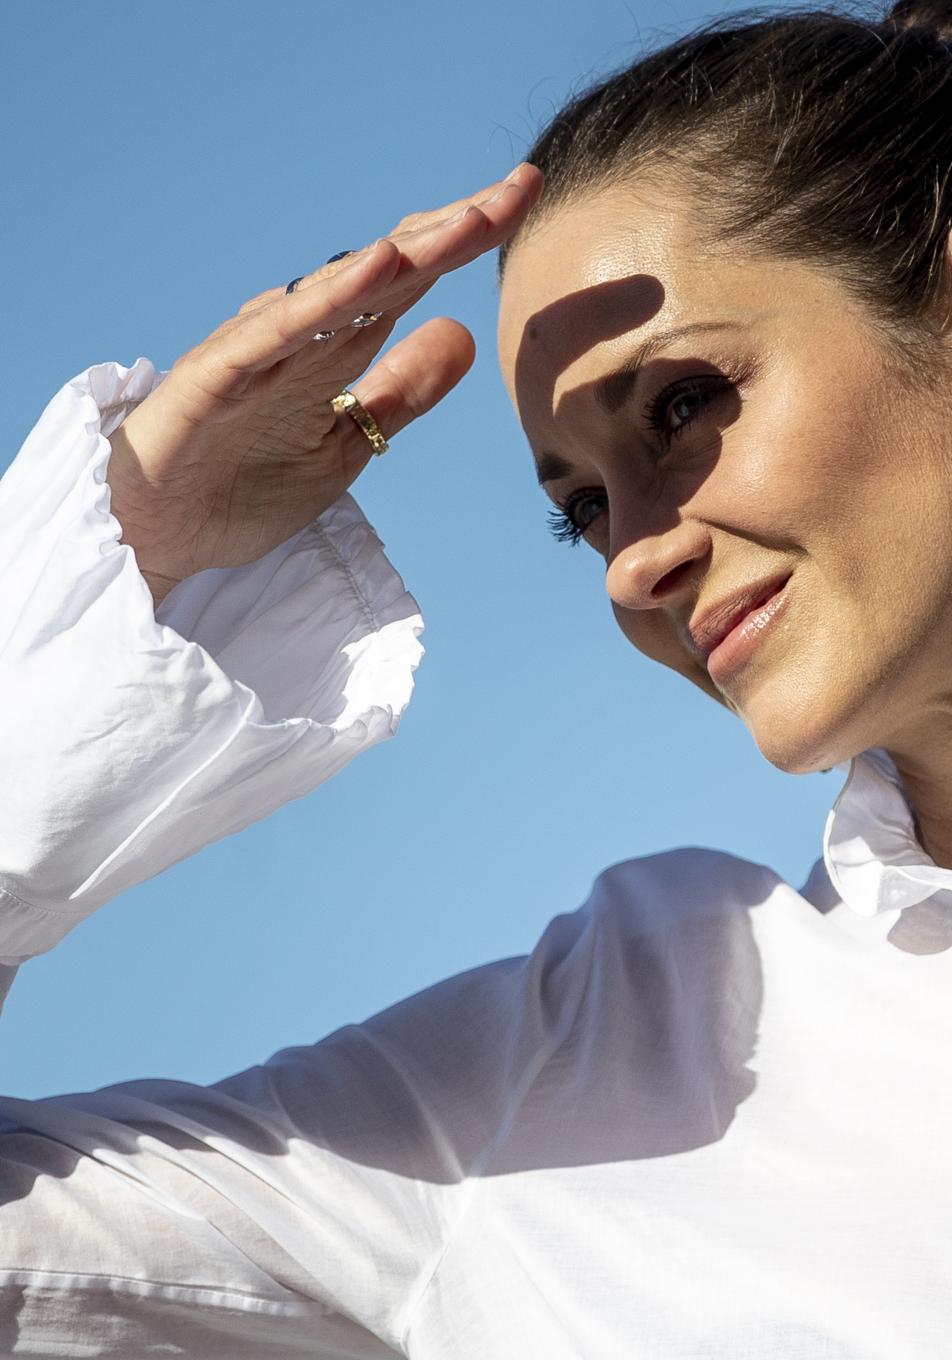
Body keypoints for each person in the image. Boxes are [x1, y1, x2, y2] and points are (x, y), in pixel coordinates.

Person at [2, 0, 952, 1353]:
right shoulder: (596, 1064)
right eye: (580, 511)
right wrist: (127, 553)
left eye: (678, 404)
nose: (629, 563)